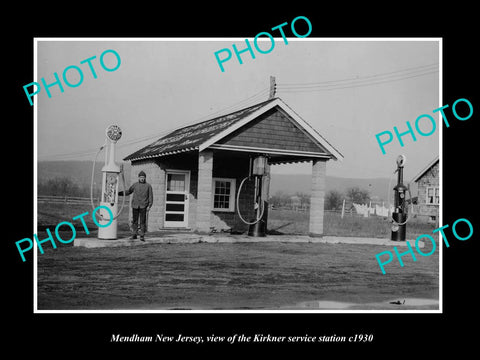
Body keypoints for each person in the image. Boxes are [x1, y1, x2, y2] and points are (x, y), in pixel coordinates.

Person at [119, 170, 153, 241]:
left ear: (145, 178)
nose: (142, 178)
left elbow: (150, 197)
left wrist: (149, 206)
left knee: (142, 221)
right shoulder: (135, 185)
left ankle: (142, 235)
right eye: (141, 177)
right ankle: (134, 234)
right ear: (138, 178)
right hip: (135, 205)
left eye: (143, 177)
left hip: (144, 206)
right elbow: (129, 191)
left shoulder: (148, 186)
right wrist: (120, 193)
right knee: (134, 220)